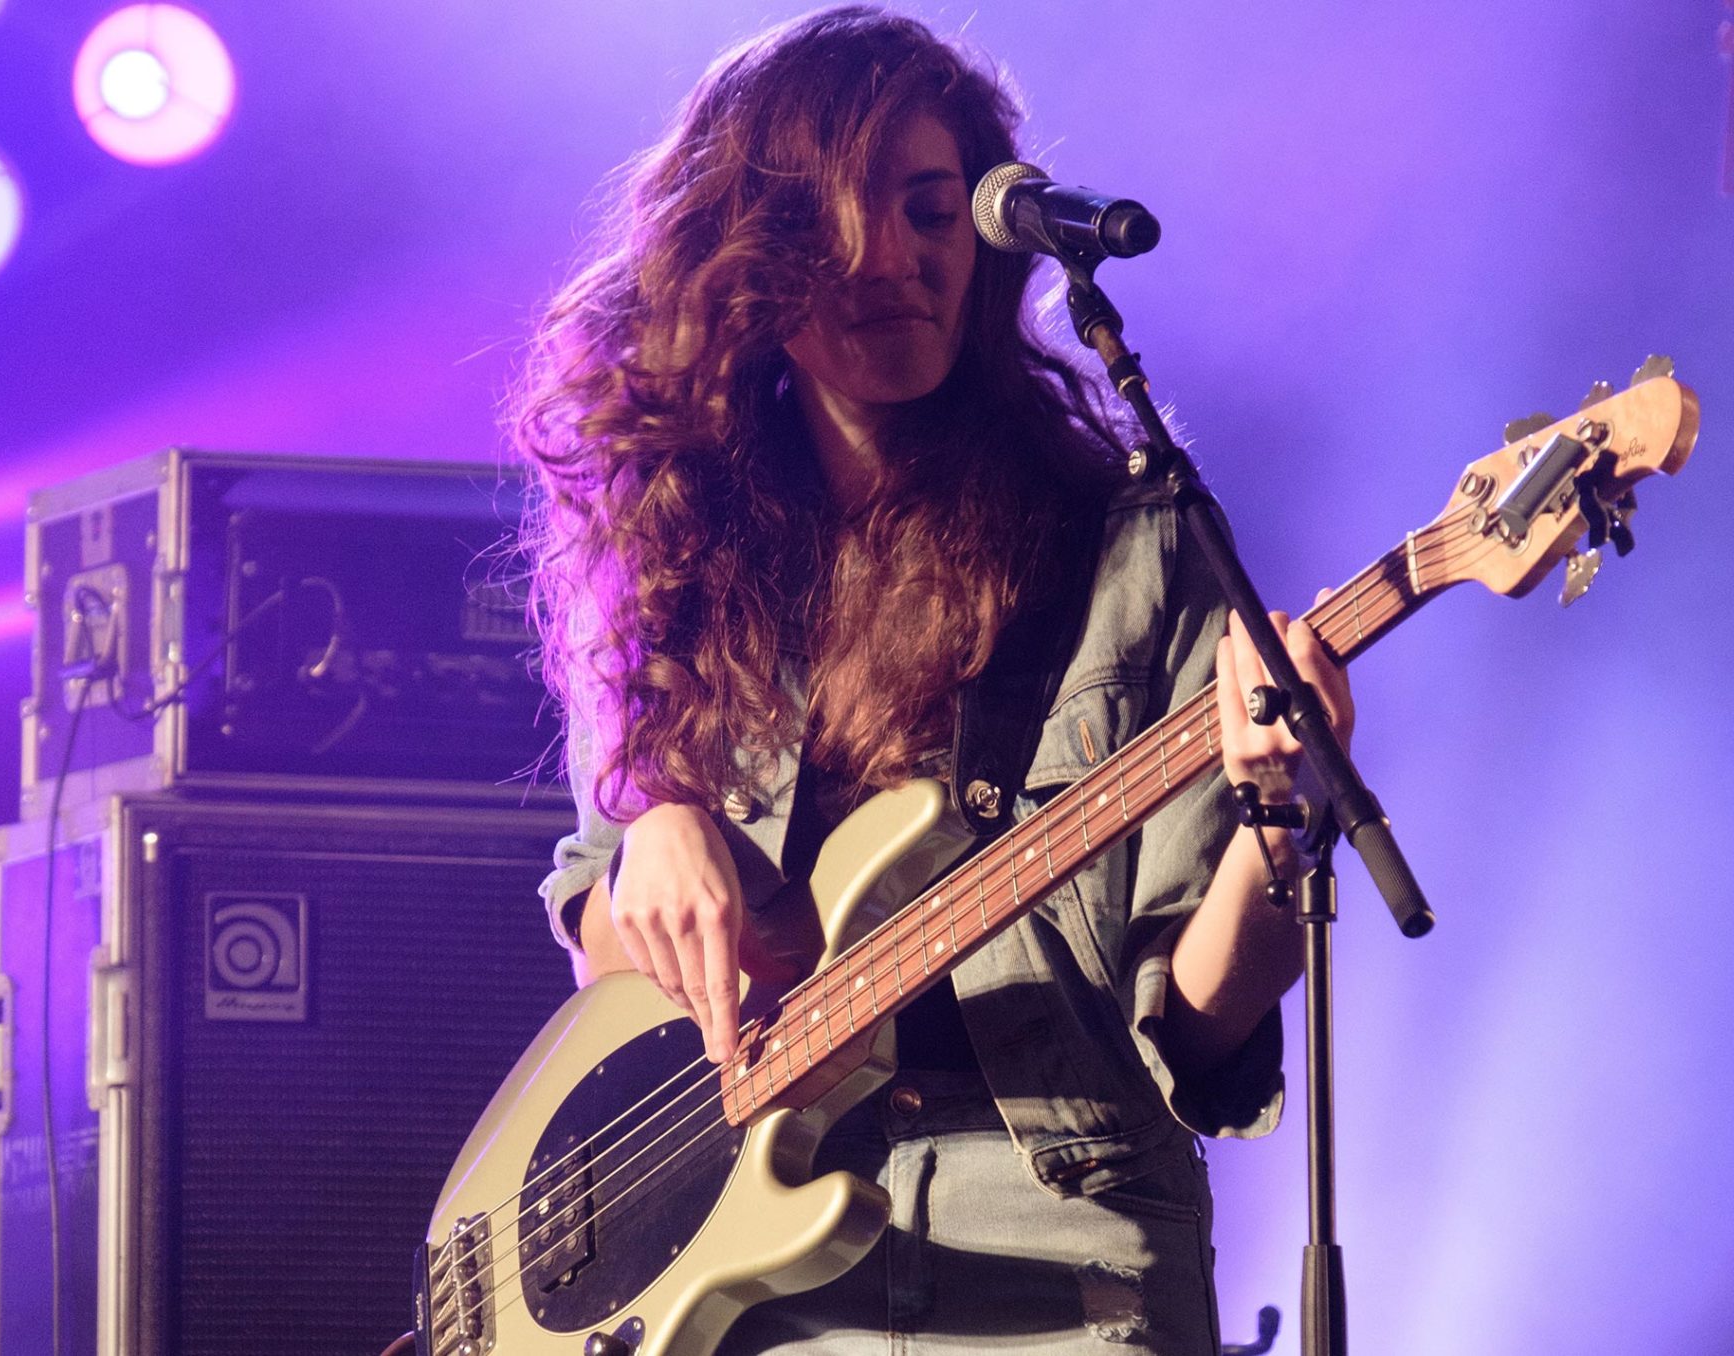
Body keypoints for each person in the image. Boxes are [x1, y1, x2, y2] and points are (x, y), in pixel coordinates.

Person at [512, 8, 1352, 1354]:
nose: (891, 257)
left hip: (1064, 1254)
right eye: (836, 217)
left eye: (930, 211)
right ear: (749, 257)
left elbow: (1198, 1030)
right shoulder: (678, 562)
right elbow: (611, 983)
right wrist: (644, 850)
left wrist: (1276, 816)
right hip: (754, 1280)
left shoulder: (1129, 543)